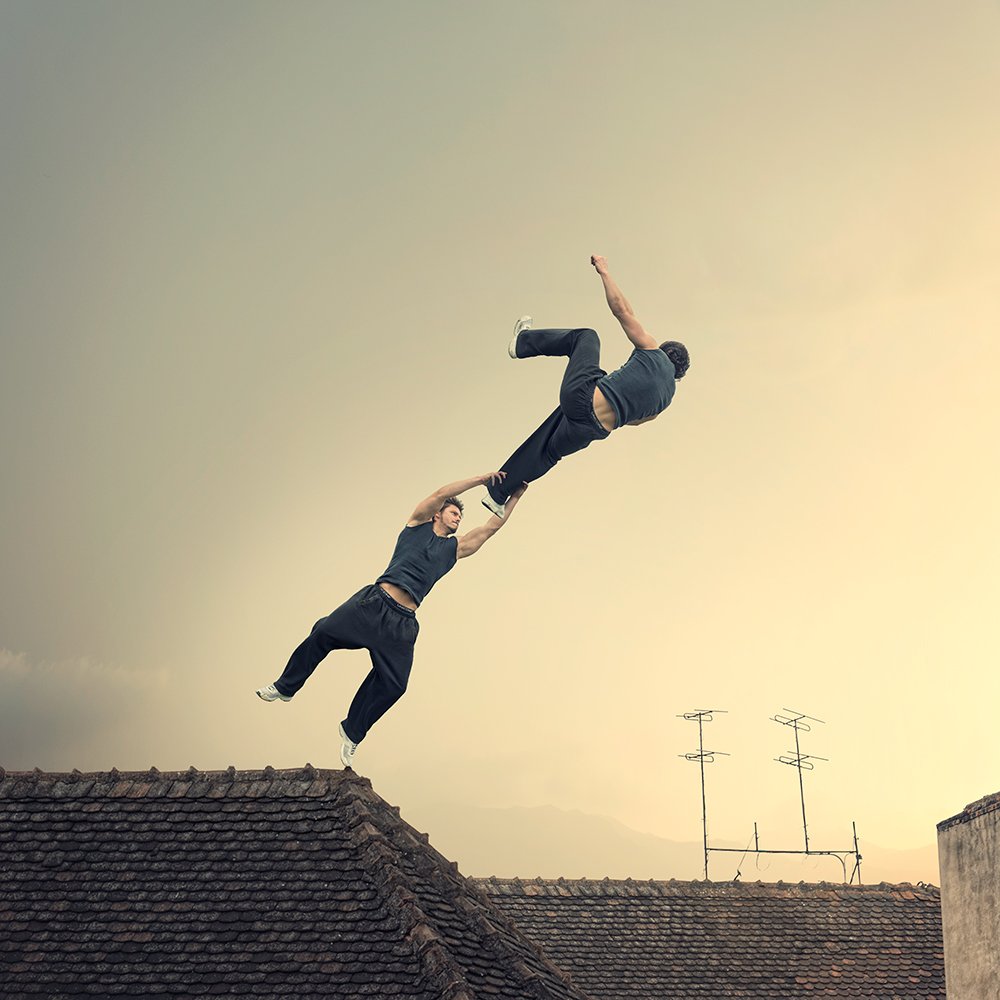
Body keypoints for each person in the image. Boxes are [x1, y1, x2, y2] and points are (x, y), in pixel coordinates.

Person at [256, 473, 528, 768]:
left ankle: (352, 730)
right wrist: (481, 480)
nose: (458, 519)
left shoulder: (454, 550)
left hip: (403, 625)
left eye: (461, 517)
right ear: (437, 514)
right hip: (373, 605)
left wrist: (515, 497)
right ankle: (285, 686)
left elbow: (490, 528)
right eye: (453, 513)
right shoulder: (415, 526)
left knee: (395, 684)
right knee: (323, 632)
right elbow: (440, 492)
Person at [482, 255, 689, 517]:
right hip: (591, 430)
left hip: (581, 397)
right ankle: (497, 494)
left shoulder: (652, 350)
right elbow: (635, 421)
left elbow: (622, 311)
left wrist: (604, 272)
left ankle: (522, 342)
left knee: (586, 337)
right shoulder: (666, 400)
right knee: (546, 452)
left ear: (664, 351)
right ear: (678, 375)